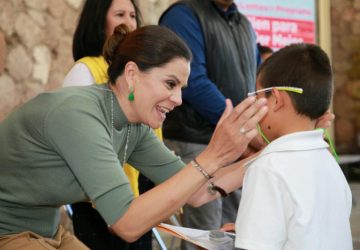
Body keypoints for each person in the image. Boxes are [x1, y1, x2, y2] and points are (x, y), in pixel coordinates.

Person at [0, 24, 269, 250]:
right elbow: (127, 224)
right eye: (170, 84)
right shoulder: (79, 114)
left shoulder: (133, 126)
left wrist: (270, 156)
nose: (178, 99)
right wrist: (213, 156)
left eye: (181, 88)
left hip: (48, 233)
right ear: (131, 74)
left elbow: (198, 190)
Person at [159, 1, 261, 249]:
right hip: (196, 141)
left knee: (237, 230)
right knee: (205, 236)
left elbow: (256, 79)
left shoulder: (243, 23)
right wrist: (241, 127)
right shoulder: (183, 15)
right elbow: (193, 81)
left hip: (239, 141)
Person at [234, 43, 352, 249]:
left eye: (258, 95)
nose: (254, 104)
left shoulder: (268, 167)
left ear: (276, 99)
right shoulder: (329, 162)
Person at [63, 1, 157, 248]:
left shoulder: (142, 72)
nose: (129, 21)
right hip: (98, 196)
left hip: (141, 189)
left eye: (133, 15)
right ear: (98, 23)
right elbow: (80, 146)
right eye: (119, 14)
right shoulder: (84, 71)